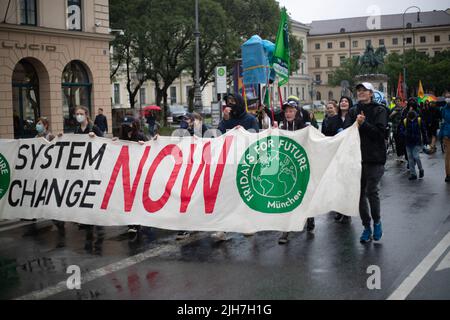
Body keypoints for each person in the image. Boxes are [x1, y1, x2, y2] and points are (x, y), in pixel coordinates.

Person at [213, 94, 259, 241]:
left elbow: (256, 136)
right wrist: (225, 120)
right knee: (227, 195)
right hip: (229, 162)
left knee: (246, 194)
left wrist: (244, 133)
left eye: (233, 102)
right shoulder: (227, 119)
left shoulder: (250, 119)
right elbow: (219, 135)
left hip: (246, 163)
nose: (230, 105)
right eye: (228, 102)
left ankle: (249, 224)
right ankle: (223, 228)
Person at [349, 82, 387, 243]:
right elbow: (347, 131)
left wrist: (363, 124)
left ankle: (377, 222)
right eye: (359, 90)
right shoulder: (353, 111)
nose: (361, 93)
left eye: (364, 90)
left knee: (372, 191)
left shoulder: (380, 110)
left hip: (375, 158)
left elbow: (380, 134)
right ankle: (366, 226)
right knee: (359, 194)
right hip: (356, 158)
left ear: (371, 93)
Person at [275, 101, 315, 245]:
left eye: (291, 111)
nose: (288, 114)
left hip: (301, 167)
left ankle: (309, 217)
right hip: (286, 167)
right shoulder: (281, 127)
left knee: (303, 195)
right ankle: (286, 230)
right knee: (288, 197)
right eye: (286, 111)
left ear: (296, 112)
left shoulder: (304, 127)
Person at [115, 115, 148, 235]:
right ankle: (131, 222)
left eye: (129, 124)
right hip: (126, 171)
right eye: (125, 125)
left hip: (138, 171)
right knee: (127, 198)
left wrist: (143, 145)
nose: (127, 127)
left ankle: (136, 222)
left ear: (134, 125)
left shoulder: (140, 136)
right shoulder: (122, 137)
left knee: (136, 197)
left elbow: (151, 148)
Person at [399, 110, 428, 180]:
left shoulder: (419, 120)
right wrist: (404, 134)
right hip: (408, 142)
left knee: (416, 156)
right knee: (410, 159)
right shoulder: (405, 121)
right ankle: (413, 174)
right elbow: (401, 130)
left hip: (416, 142)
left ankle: (421, 169)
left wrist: (425, 140)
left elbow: (424, 130)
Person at [389, 98, 407, 162]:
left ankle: (403, 155)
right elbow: (389, 118)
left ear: (400, 102)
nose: (398, 102)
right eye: (396, 101)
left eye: (399, 101)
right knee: (397, 142)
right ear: (395, 102)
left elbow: (405, 117)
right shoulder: (393, 109)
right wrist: (392, 114)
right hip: (395, 128)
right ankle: (399, 155)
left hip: (402, 128)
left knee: (402, 142)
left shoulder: (403, 109)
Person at [439, 96, 450, 182]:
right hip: (446, 135)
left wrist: (441, 135)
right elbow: (442, 122)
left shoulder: (444, 109)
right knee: (447, 156)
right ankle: (448, 174)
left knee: (447, 156)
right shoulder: (443, 109)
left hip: (446, 134)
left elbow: (442, 122)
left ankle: (448, 175)